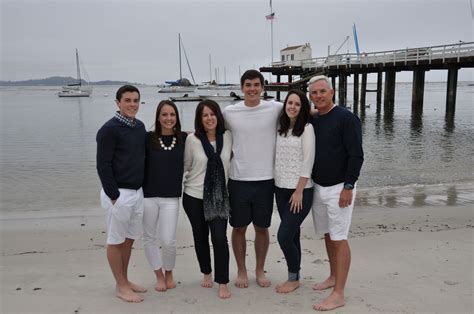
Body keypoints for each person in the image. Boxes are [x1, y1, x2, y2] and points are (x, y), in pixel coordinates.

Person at [222, 69, 283, 288]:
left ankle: (259, 270)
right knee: (238, 228)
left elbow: (301, 112)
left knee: (261, 228)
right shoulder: (230, 112)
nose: (252, 89)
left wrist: (326, 112)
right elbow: (209, 126)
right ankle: (241, 271)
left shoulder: (275, 108)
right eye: (248, 85)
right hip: (238, 179)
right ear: (242, 88)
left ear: (262, 87)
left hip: (266, 179)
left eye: (256, 85)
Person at [308, 75, 364, 311]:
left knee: (339, 238)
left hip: (340, 187)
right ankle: (332, 276)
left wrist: (348, 187)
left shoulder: (347, 118)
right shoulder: (314, 119)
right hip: (318, 186)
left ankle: (339, 293)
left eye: (322, 91)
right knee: (328, 235)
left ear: (331, 92)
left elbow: (356, 155)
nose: (318, 96)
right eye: (314, 93)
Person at [96, 85, 147, 303]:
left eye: (136, 100)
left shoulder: (140, 127)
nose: (132, 104)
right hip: (119, 194)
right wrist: (113, 195)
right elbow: (102, 165)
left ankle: (125, 280)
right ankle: (120, 286)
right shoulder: (109, 129)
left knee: (129, 239)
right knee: (116, 241)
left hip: (137, 192)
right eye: (128, 100)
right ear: (118, 103)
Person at [183, 100, 233, 299]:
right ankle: (206, 272)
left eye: (212, 114)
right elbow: (185, 166)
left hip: (220, 197)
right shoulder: (192, 140)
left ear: (218, 116)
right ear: (199, 119)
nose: (209, 118)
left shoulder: (228, 136)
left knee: (220, 239)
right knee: (200, 236)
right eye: (205, 115)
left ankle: (222, 281)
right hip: (194, 196)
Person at [142, 100, 187, 292]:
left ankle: (169, 272)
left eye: (172, 115)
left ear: (176, 118)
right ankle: (158, 275)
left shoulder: (184, 138)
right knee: (149, 238)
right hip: (148, 196)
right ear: (158, 117)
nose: (168, 118)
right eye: (164, 114)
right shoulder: (147, 138)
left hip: (171, 198)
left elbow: (208, 138)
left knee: (168, 240)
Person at [274, 90, 315, 294]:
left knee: (283, 236)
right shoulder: (280, 128)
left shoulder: (307, 129)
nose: (292, 107)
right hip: (280, 189)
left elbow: (308, 162)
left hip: (300, 192)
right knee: (293, 235)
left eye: (297, 104)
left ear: (303, 108)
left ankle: (293, 277)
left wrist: (299, 191)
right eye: (289, 103)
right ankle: (295, 276)